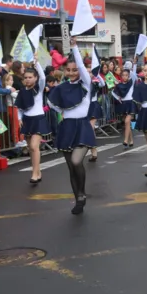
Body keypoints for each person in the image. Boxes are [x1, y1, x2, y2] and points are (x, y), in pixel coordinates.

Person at [47, 37, 97, 215]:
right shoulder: (61, 88)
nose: (71, 72)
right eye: (68, 70)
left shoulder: (86, 84)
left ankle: (82, 194)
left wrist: (75, 48)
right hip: (66, 128)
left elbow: (83, 70)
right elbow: (54, 105)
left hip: (82, 127)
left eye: (75, 69)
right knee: (70, 167)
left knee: (77, 161)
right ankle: (77, 199)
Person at [15, 56, 50, 184]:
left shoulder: (39, 89)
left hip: (38, 119)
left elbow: (44, 77)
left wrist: (37, 63)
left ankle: (35, 173)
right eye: (26, 78)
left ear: (35, 78)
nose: (28, 80)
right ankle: (37, 171)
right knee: (30, 148)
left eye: (30, 77)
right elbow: (19, 107)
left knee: (35, 146)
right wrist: (19, 118)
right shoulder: (22, 91)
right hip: (27, 120)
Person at [112, 67, 137, 148]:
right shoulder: (119, 85)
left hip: (131, 104)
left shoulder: (131, 82)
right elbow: (113, 92)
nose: (124, 77)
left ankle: (125, 140)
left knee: (127, 122)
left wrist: (132, 66)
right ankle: (131, 140)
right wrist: (118, 98)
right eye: (123, 75)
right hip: (123, 104)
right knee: (127, 124)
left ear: (128, 76)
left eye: (126, 75)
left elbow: (134, 74)